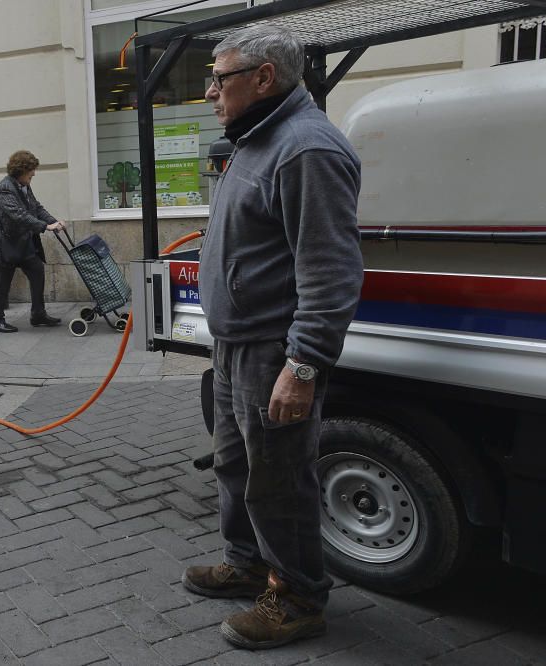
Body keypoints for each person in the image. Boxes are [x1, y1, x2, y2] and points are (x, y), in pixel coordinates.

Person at [182, 24, 364, 650]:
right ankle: (247, 563)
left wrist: (304, 364)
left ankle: (298, 597)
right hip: (235, 346)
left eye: (219, 77)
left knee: (278, 478)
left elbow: (330, 269)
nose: (210, 91)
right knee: (235, 464)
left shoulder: (307, 149)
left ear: (263, 78)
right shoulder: (259, 139)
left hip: (271, 351)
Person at [0, 150, 65, 333]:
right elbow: (19, 216)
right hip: (4, 244)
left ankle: (38, 314)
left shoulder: (24, 185)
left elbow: (36, 208)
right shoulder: (5, 189)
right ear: (21, 170)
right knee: (2, 283)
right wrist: (45, 227)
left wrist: (53, 222)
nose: (34, 174)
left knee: (37, 270)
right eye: (31, 171)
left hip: (21, 242)